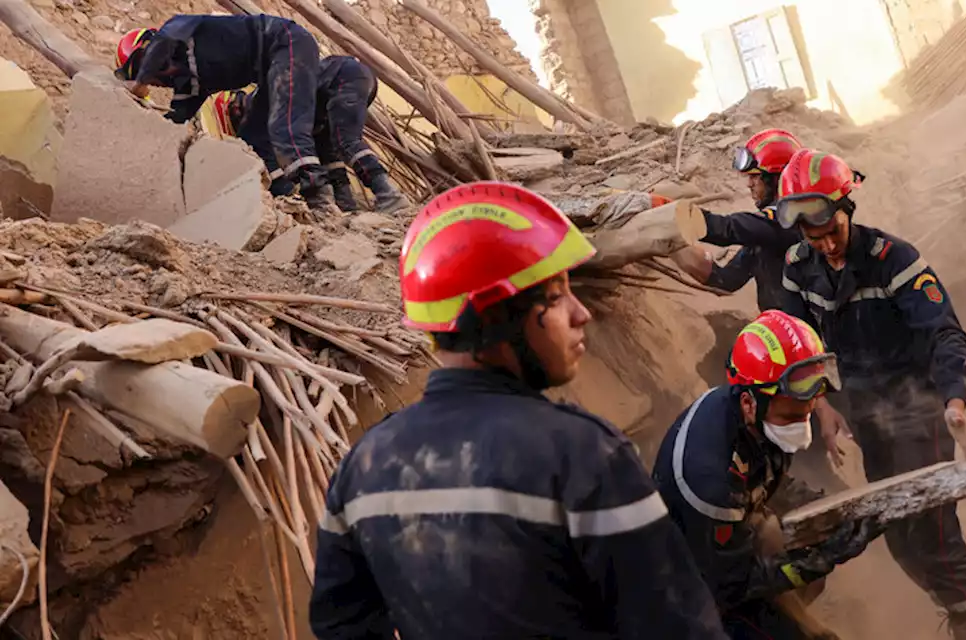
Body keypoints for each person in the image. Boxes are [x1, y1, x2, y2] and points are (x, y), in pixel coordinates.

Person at [309, 182, 728, 639]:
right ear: (495, 317)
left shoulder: (362, 468)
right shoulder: (581, 454)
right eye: (555, 294)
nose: (580, 312)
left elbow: (339, 626)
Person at [774, 149, 966, 640]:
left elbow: (945, 334)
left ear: (847, 210)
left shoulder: (894, 259)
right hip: (867, 418)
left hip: (921, 411)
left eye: (832, 231)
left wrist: (954, 402)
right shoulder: (797, 267)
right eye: (814, 239)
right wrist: (823, 404)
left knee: (934, 531)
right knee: (897, 535)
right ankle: (958, 608)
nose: (828, 247)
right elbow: (799, 345)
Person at [652, 310, 884, 640]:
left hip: (732, 546)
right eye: (792, 410)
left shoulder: (755, 415)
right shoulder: (710, 480)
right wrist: (821, 559)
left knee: (800, 560)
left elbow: (768, 477)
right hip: (696, 591)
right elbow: (735, 585)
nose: (803, 418)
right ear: (749, 402)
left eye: (808, 406)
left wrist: (831, 509)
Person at [114, 15, 336, 209]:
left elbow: (164, 40)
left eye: (150, 72)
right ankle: (285, 194)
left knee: (284, 124)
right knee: (252, 138)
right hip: (269, 68)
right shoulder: (189, 86)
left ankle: (319, 197)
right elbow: (174, 124)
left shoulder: (178, 28)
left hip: (286, 43)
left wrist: (140, 82)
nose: (156, 82)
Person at [210, 55, 412, 214]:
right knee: (331, 145)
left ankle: (390, 197)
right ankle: (345, 204)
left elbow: (260, 147)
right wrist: (343, 204)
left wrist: (287, 192)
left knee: (346, 141)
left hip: (342, 79)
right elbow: (326, 155)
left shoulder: (261, 109)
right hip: (352, 80)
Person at [673, 128, 804, 312]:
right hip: (779, 331)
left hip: (806, 336)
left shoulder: (789, 221)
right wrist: (674, 246)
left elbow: (727, 229)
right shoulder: (765, 234)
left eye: (755, 176)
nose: (749, 184)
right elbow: (726, 280)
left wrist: (672, 215)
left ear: (777, 178)